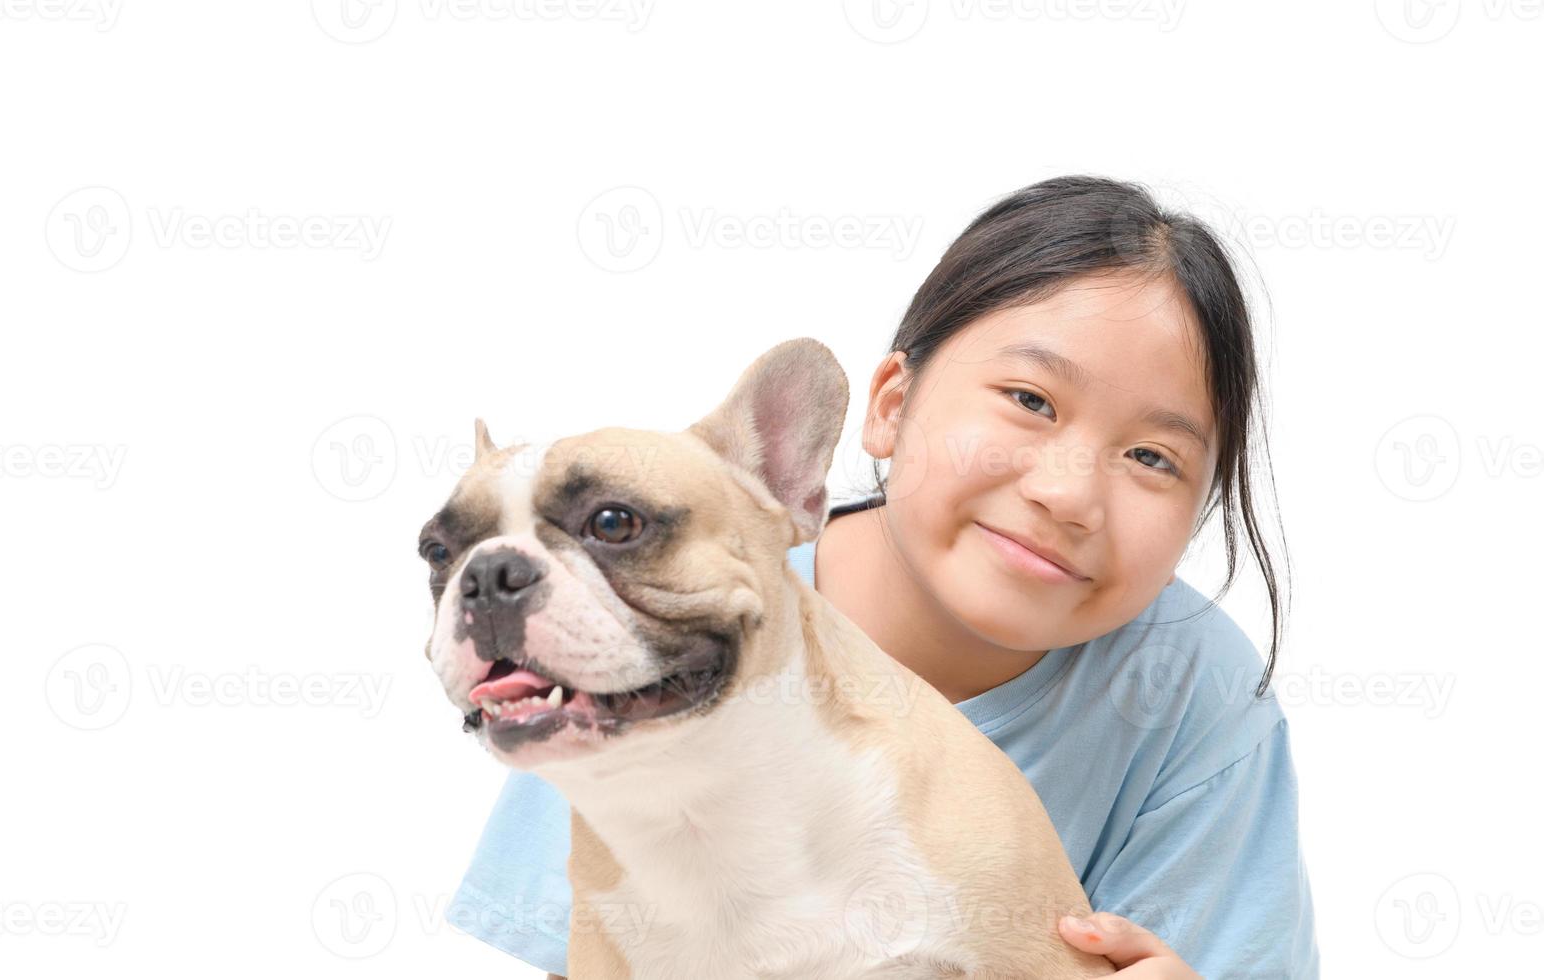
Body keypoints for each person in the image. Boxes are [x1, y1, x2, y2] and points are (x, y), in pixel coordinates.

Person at [445, 175, 1319, 979]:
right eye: (1030, 400)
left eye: (1151, 456)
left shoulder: (1190, 689)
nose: (1068, 495)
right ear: (892, 405)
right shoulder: (653, 637)